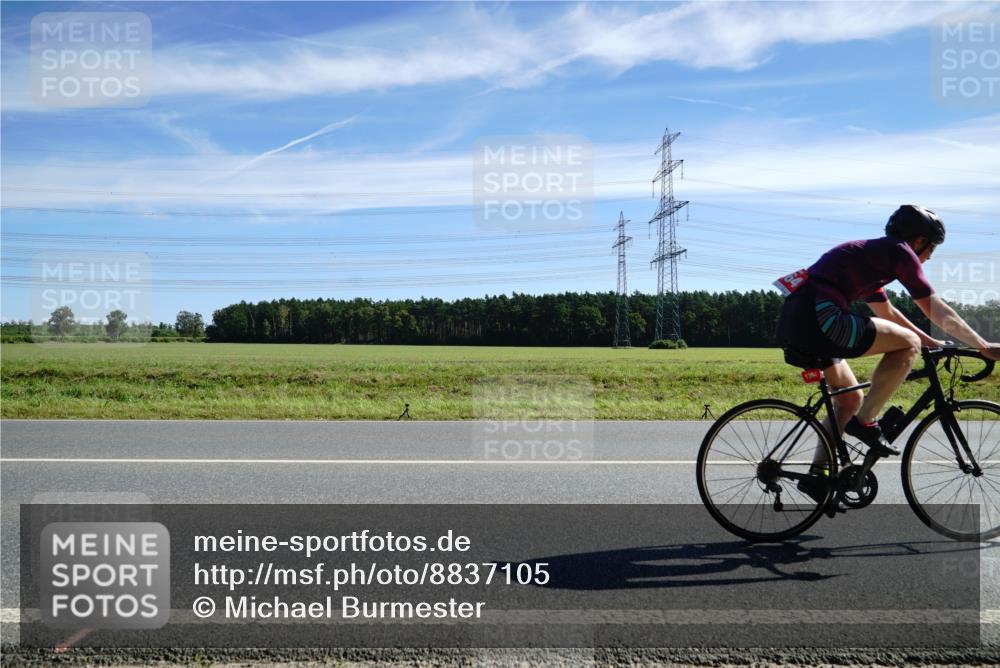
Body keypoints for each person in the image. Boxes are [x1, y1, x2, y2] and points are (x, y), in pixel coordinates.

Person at [775, 205, 1000, 487]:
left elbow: (888, 313)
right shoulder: (899, 252)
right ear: (919, 241)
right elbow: (935, 308)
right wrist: (982, 345)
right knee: (907, 344)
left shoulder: (871, 259)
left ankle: (817, 475)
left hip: (798, 321)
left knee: (848, 401)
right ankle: (866, 422)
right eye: (931, 249)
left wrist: (930, 342)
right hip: (821, 316)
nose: (929, 257)